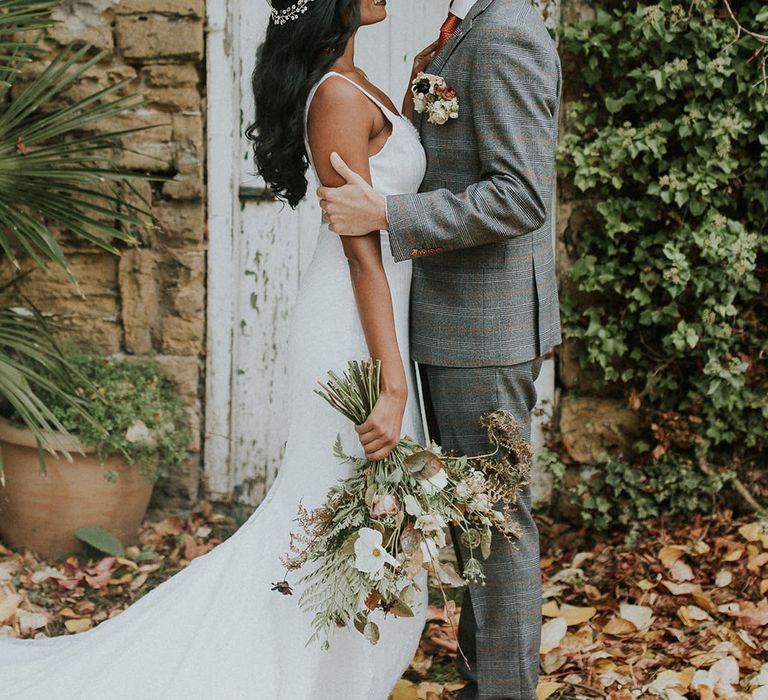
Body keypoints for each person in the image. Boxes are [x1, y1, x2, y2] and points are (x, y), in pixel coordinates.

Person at [0, 1, 431, 697]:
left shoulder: (356, 81)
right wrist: (391, 384)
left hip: (379, 317)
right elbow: (362, 257)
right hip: (353, 323)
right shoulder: (336, 97)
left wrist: (417, 86)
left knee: (360, 508)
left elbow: (390, 177)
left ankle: (336, 670)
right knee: (330, 508)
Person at [318, 1, 563, 698]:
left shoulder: (507, 30)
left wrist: (390, 215)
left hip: (484, 328)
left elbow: (521, 196)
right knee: (477, 524)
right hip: (460, 320)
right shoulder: (472, 27)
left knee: (496, 528)